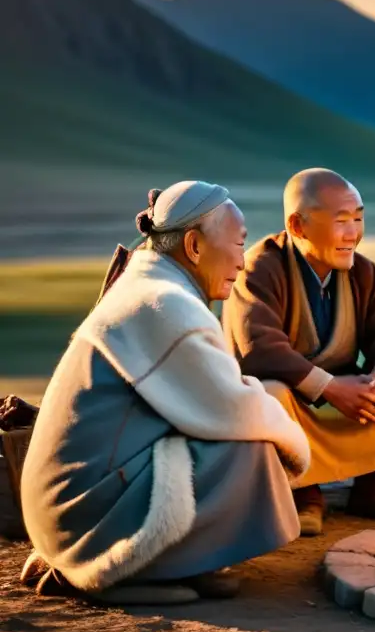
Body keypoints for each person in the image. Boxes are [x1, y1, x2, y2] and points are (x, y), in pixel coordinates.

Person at [20, 181, 311, 602]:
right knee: (254, 447)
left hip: (65, 508)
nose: (243, 261)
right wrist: (296, 447)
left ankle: (190, 561)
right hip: (83, 520)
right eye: (237, 244)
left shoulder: (143, 287)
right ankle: (133, 569)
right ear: (194, 246)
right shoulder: (164, 303)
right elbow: (234, 410)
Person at [222, 168, 375, 534]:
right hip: (296, 399)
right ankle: (303, 496)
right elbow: (258, 348)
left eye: (358, 219)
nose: (353, 233)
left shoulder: (365, 274)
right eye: (341, 221)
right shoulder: (259, 269)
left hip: (343, 397)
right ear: (298, 226)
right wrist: (329, 388)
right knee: (271, 395)